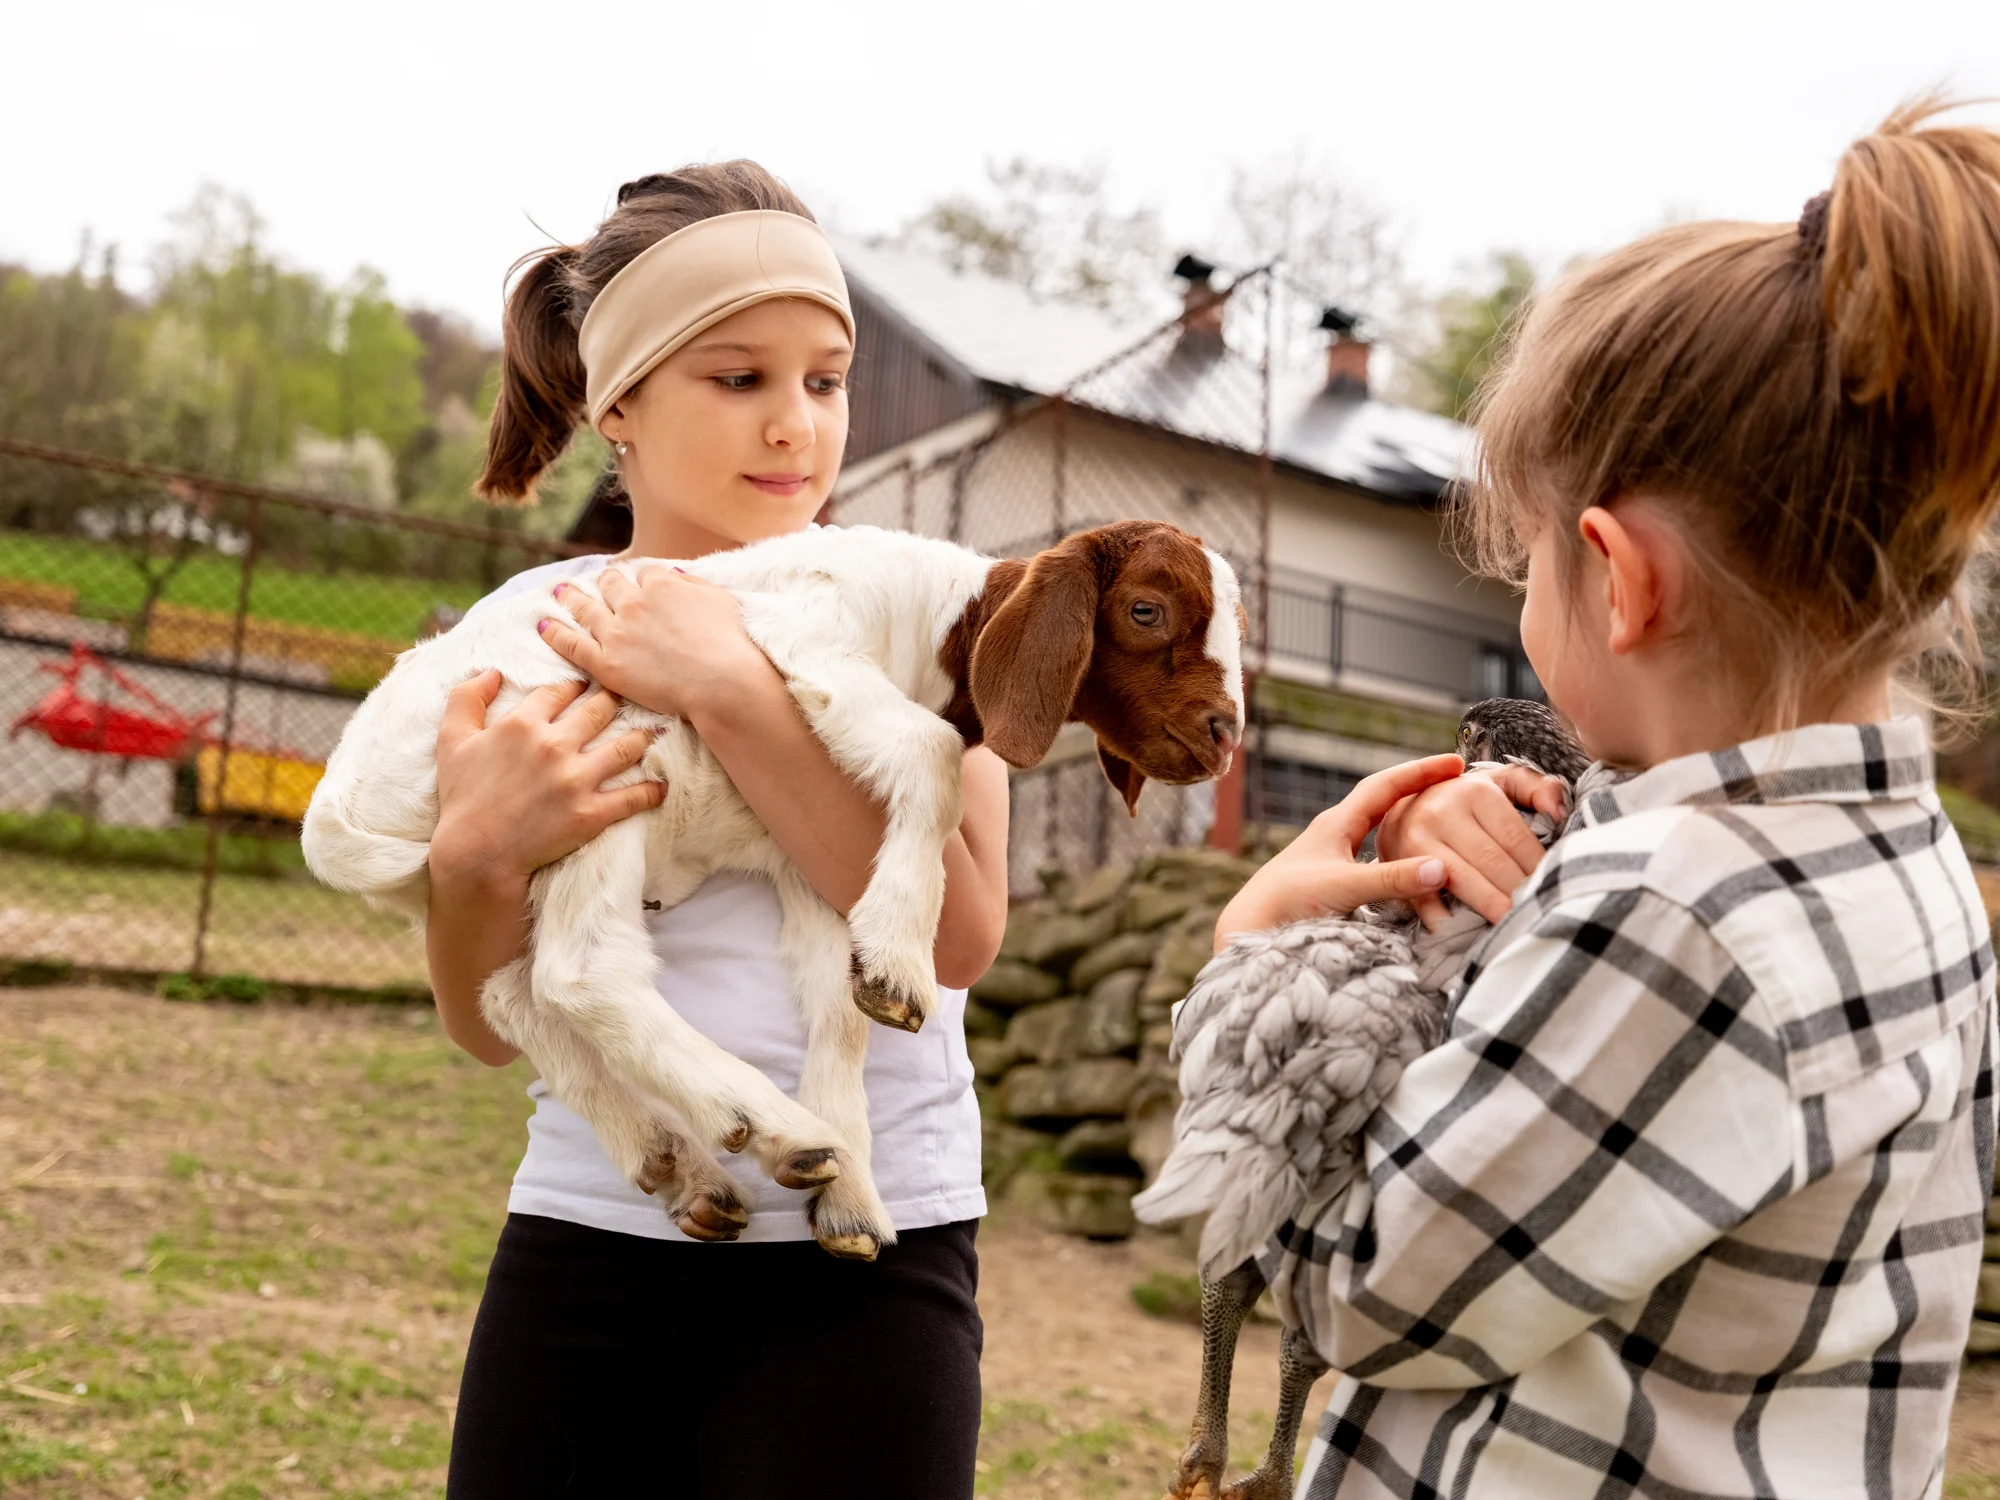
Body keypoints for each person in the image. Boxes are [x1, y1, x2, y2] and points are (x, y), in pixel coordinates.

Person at [1215, 99, 2000, 1498]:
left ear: (1619, 579)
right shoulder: (1909, 863)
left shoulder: (1674, 915)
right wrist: (1502, 891)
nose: (1525, 601)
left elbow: (1363, 1292)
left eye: (1524, 563)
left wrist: (1258, 967)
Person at [427, 163, 1008, 1499]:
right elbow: (476, 1019)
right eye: (738, 379)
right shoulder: (535, 632)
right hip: (589, 1239)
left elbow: (960, 941)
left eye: (824, 378)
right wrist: (471, 865)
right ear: (617, 401)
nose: (794, 425)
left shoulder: (926, 610)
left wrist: (733, 691)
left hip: (869, 1265)